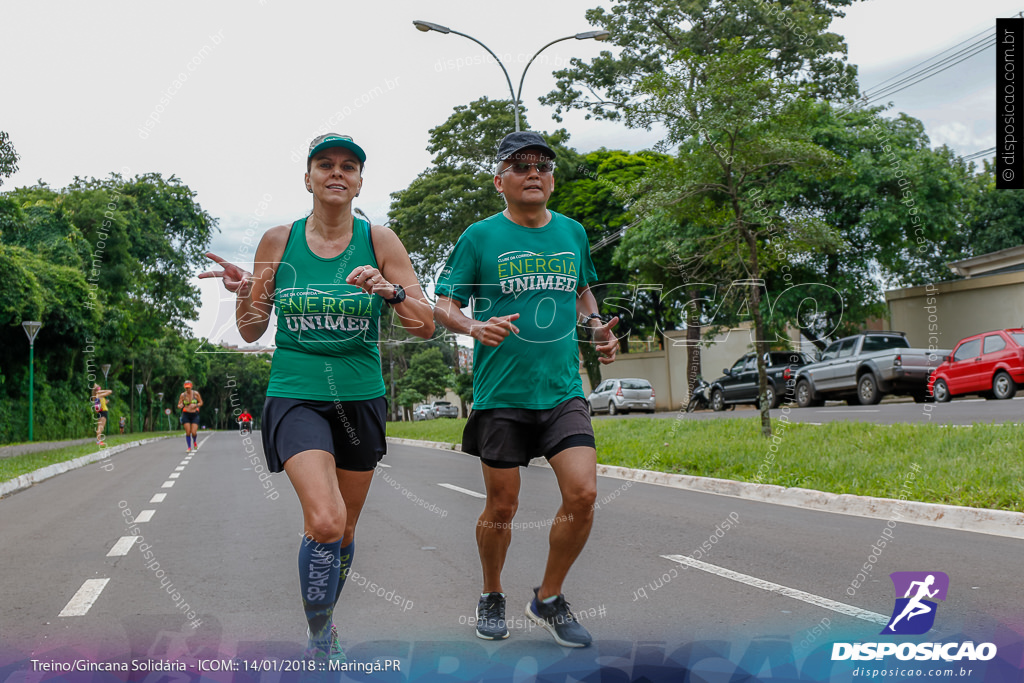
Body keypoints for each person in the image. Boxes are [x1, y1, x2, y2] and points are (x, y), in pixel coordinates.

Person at [199, 134, 434, 660]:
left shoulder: (381, 241)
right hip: (296, 393)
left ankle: (323, 622)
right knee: (325, 521)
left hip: (361, 398)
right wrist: (246, 293)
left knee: (344, 530)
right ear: (307, 178)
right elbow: (253, 331)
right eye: (325, 164)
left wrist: (389, 291)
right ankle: (319, 636)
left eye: (348, 166)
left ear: (358, 181)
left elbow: (423, 325)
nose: (336, 173)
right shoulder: (278, 242)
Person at [434, 131, 619, 648]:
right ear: (500, 181)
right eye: (519, 165)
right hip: (502, 395)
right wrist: (473, 328)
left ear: (552, 178)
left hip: (562, 390)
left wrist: (597, 328)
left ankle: (549, 598)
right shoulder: (479, 237)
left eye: (542, 163)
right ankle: (492, 592)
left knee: (582, 494)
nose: (532, 171)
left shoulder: (573, 233)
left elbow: (583, 290)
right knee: (502, 507)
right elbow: (442, 304)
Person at [177, 380, 203, 453]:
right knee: (188, 432)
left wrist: (196, 405)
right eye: (186, 388)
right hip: (186, 414)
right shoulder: (183, 395)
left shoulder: (196, 394)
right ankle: (189, 447)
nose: (187, 389)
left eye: (188, 388)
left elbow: (201, 402)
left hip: (194, 414)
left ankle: (194, 441)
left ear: (191, 387)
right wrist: (180, 406)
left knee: (193, 432)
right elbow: (179, 404)